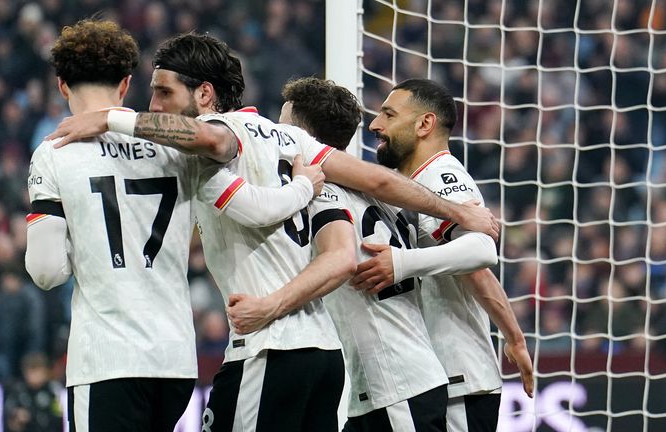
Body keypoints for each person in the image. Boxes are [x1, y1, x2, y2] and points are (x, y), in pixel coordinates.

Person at [46, 33, 498, 431]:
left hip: (268, 347)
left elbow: (226, 160)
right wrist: (458, 211)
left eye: (164, 93)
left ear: (205, 95)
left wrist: (110, 118)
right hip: (326, 355)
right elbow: (377, 181)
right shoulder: (294, 141)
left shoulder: (215, 138)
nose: (153, 107)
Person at [25, 21, 324, 432]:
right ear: (127, 83)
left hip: (107, 358)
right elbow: (252, 203)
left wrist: (83, 239)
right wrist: (304, 186)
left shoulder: (54, 152)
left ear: (61, 86)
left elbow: (46, 271)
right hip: (175, 361)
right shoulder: (175, 146)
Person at [226, 77, 499, 431]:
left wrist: (269, 306)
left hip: (397, 383)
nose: (274, 135)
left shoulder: (321, 193)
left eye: (282, 125)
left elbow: (339, 260)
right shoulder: (385, 195)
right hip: (382, 383)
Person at [356, 78, 534, 431]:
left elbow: (480, 251)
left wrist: (400, 264)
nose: (375, 125)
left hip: (457, 377)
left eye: (388, 115)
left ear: (424, 124)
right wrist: (514, 337)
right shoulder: (408, 181)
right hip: (435, 375)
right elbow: (474, 273)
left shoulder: (442, 174)